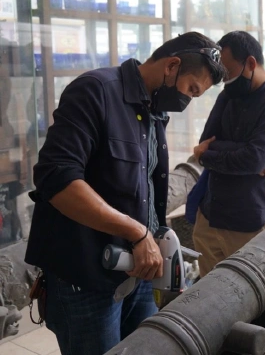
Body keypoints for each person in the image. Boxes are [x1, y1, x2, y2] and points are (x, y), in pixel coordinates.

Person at [25, 32, 226, 354]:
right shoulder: (96, 91)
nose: (188, 100)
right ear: (171, 66)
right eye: (191, 89)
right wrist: (136, 232)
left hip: (138, 270)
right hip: (86, 276)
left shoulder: (153, 110)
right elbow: (57, 179)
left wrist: (152, 237)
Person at [192, 31, 265, 277]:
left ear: (250, 63)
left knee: (252, 298)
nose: (225, 81)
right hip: (209, 217)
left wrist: (210, 154)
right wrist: (248, 153)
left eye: (228, 73)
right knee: (208, 296)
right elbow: (204, 142)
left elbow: (253, 159)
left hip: (251, 222)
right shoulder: (227, 96)